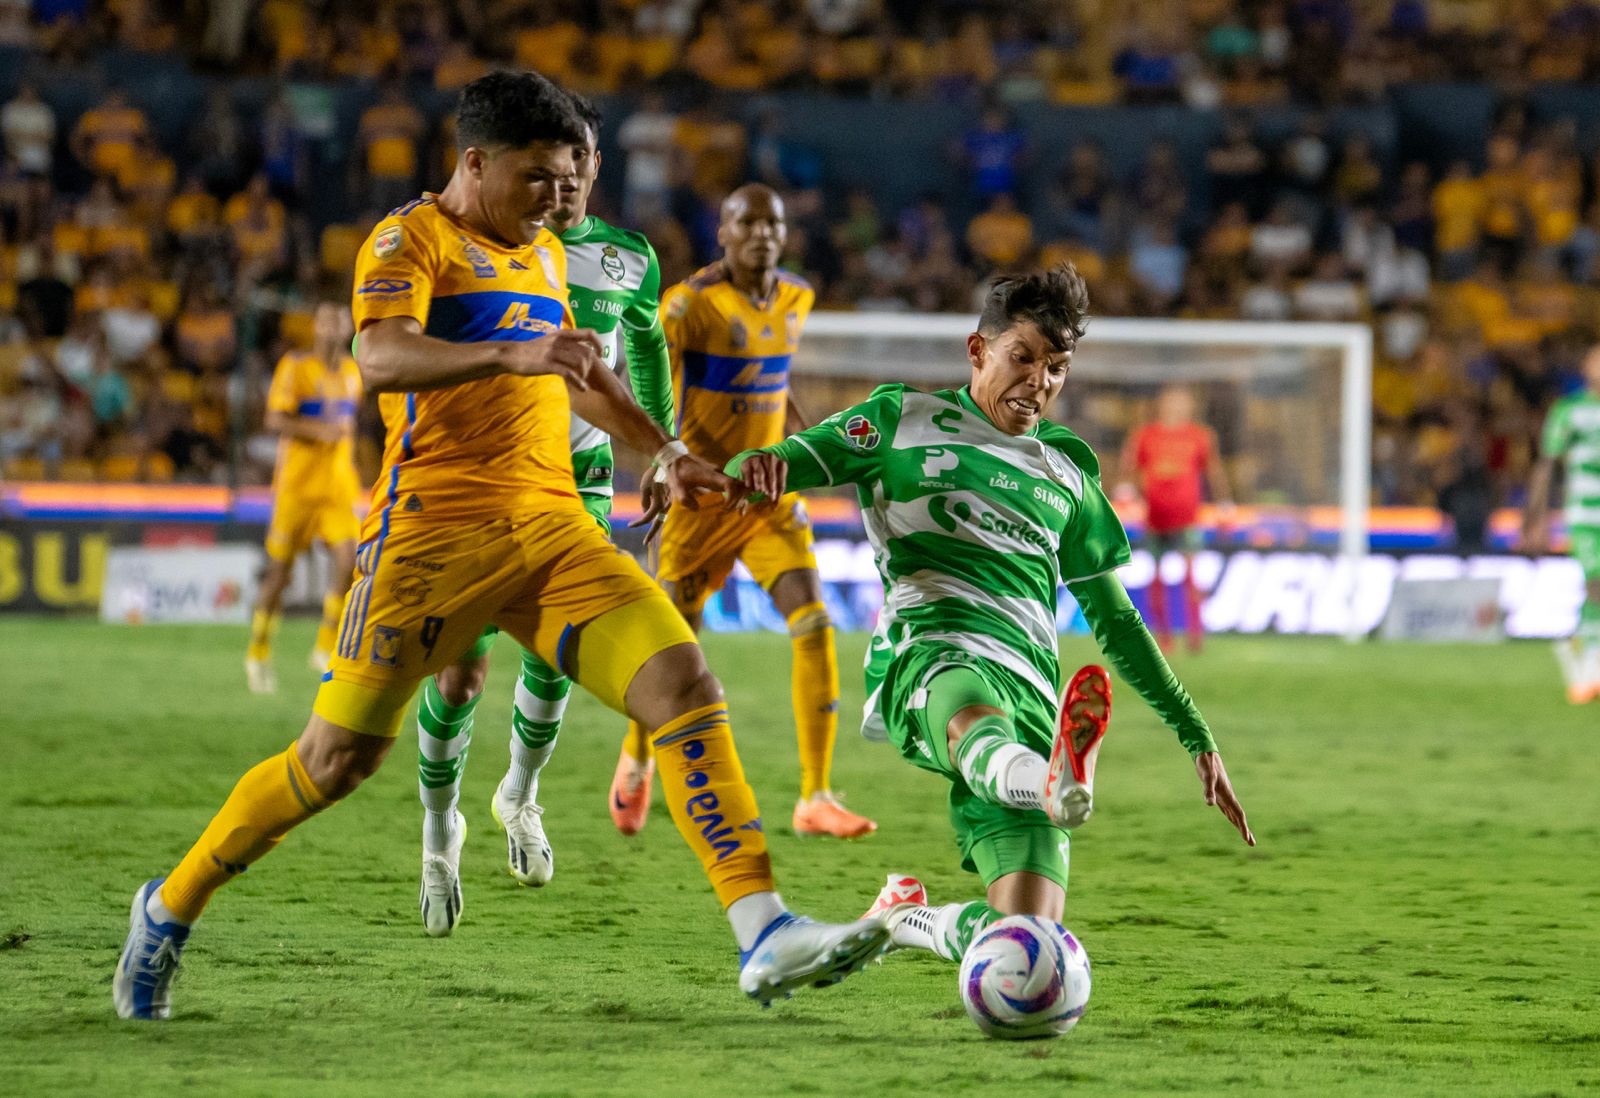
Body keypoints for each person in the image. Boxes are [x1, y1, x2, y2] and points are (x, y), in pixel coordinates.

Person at [113, 71, 889, 1023]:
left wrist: (666, 451)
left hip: (554, 525)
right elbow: (379, 356)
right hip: (432, 536)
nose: (557, 198)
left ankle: (763, 929)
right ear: (475, 163)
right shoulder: (409, 240)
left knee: (683, 682)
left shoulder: (547, 253)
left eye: (568, 178)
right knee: (334, 763)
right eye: (537, 178)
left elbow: (582, 372)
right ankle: (169, 905)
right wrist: (508, 352)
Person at [727, 265, 1253, 965]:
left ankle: (905, 918)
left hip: (1032, 693)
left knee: (1026, 952)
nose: (1038, 382)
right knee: (976, 718)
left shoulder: (1068, 474)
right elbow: (780, 460)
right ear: (979, 351)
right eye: (1023, 358)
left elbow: (1117, 622)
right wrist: (742, 472)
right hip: (932, 653)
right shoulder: (901, 420)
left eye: (1056, 368)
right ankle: (1052, 782)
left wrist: (1197, 735)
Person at [413, 92, 677, 934]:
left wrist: (663, 447)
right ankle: (438, 831)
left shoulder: (630, 258)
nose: (562, 180)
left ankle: (519, 796)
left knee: (557, 655)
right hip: (481, 486)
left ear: (593, 165)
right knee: (461, 675)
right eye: (546, 165)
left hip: (579, 482)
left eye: (576, 162)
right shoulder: (487, 247)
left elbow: (646, 349)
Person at [613, 182, 877, 842]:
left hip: (766, 495)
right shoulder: (688, 305)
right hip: (701, 498)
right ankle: (637, 758)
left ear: (785, 235)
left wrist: (806, 444)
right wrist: (661, 460)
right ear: (723, 233)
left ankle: (815, 795)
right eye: (747, 223)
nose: (762, 234)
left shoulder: (796, 296)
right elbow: (644, 384)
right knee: (673, 647)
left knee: (814, 622)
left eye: (773, 224)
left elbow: (774, 381)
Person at [245, 302, 363, 693]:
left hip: (337, 489)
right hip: (297, 489)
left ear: (347, 329)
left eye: (339, 321)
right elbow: (274, 419)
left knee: (349, 561)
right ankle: (258, 651)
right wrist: (317, 430)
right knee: (279, 574)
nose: (332, 328)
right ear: (315, 327)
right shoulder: (296, 367)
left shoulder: (352, 372)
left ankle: (325, 647)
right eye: (326, 321)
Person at [1116, 384, 1232, 652]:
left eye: (1181, 401)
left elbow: (1213, 470)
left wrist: (1224, 504)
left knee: (1191, 575)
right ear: (1161, 404)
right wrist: (1125, 490)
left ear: (1190, 406)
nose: (1176, 406)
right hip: (1156, 518)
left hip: (1187, 517)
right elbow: (1129, 468)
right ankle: (1164, 637)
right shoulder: (1145, 435)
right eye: (1171, 401)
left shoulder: (1200, 436)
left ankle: (1195, 635)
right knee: (1156, 577)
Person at [1521, 345, 1600, 703]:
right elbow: (1547, 465)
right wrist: (1534, 519)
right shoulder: (1569, 411)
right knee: (1596, 580)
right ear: (1586, 367)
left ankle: (1582, 652)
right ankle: (1591, 665)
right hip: (1584, 513)